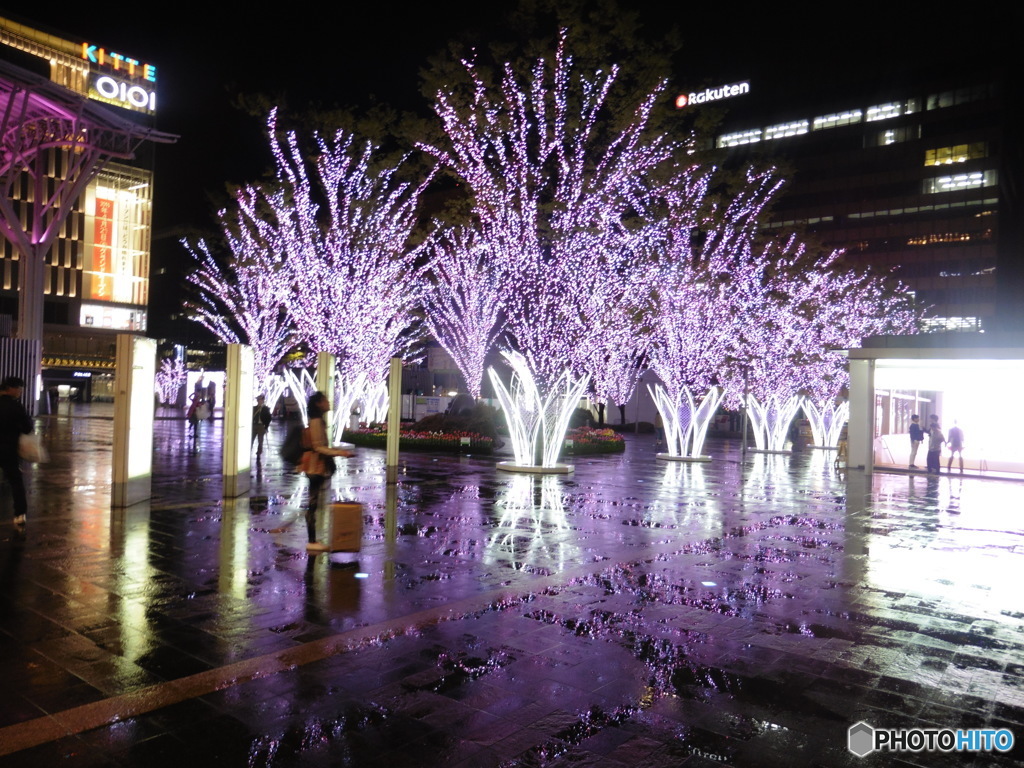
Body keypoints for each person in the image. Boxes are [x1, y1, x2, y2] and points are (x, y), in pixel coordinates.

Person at [300, 392, 354, 552]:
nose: (328, 402)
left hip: (316, 466)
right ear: (318, 404)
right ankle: (311, 541)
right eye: (325, 400)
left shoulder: (318, 421)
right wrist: (341, 453)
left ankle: (313, 539)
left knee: (314, 502)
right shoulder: (316, 422)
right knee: (313, 503)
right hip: (314, 467)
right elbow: (318, 447)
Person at [0, 376, 34, 526]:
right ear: (10, 389)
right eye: (19, 388)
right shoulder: (15, 406)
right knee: (16, 482)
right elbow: (27, 428)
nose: (20, 392)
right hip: (8, 449)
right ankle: (19, 514)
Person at [252, 395, 272, 460]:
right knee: (251, 439)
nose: (260, 401)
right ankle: (249, 450)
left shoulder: (266, 408)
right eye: (259, 400)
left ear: (263, 400)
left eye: (261, 400)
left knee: (260, 441)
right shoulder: (254, 408)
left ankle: (259, 452)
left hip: (261, 426)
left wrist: (266, 427)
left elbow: (269, 418)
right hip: (254, 425)